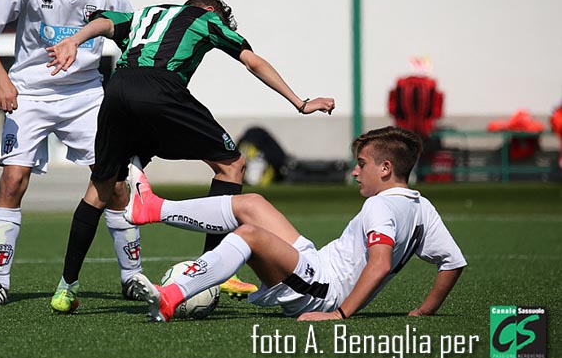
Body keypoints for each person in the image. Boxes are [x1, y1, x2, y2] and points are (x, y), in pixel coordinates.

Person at [46, 0, 336, 311]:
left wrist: (73, 41)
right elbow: (252, 60)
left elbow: (104, 22)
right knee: (232, 165)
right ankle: (216, 269)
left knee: (99, 188)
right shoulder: (204, 18)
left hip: (117, 90)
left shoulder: (147, 13)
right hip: (161, 88)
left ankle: (66, 289)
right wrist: (300, 103)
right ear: (211, 10)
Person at [0, 0, 140, 308]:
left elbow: (132, 38)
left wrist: (125, 94)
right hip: (28, 94)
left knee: (116, 184)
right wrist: (2, 79)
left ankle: (132, 278)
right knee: (13, 181)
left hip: (86, 96)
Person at [124, 126, 467, 322]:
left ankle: (170, 296)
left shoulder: (380, 206)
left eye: (361, 164)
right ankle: (152, 208)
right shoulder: (421, 206)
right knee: (253, 204)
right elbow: (452, 263)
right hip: (317, 266)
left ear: (386, 169)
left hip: (323, 292)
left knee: (250, 235)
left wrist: (340, 315)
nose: (355, 171)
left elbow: (379, 265)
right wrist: (424, 311)